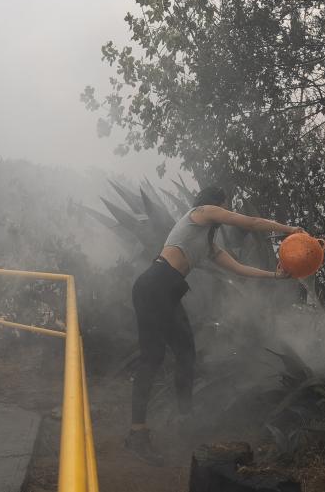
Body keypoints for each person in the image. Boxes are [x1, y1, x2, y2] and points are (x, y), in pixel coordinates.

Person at [125, 185, 304, 464]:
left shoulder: (208, 245)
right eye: (227, 205)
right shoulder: (201, 212)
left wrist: (275, 276)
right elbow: (252, 222)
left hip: (168, 291)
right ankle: (137, 434)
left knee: (186, 353)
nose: (227, 211)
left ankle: (185, 420)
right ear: (217, 203)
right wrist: (290, 229)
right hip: (154, 285)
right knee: (153, 358)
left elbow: (239, 268)